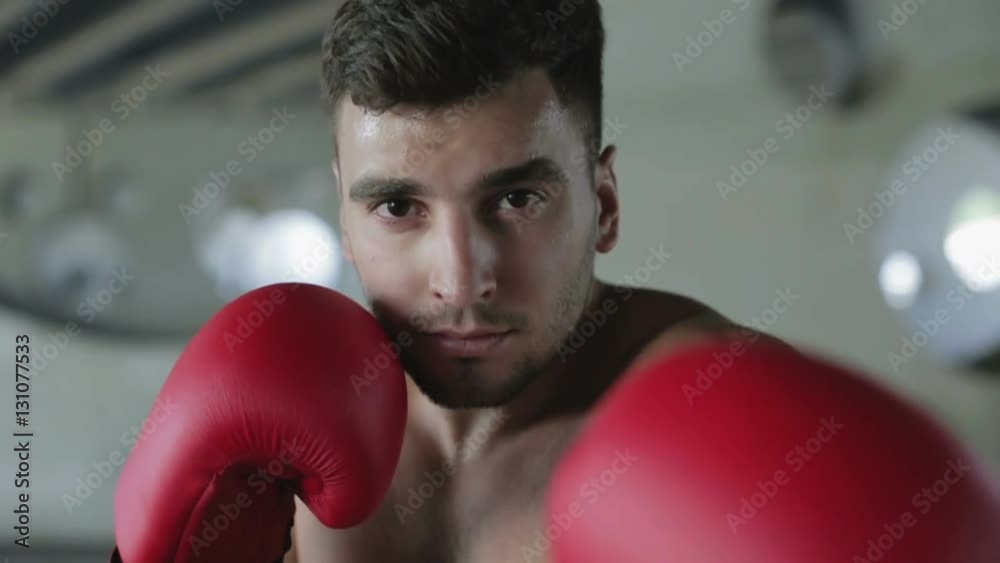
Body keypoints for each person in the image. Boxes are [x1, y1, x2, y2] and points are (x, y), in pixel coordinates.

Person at [288, 0, 770, 560]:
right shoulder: (296, 424)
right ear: (345, 218)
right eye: (397, 206)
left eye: (517, 200)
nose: (461, 282)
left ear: (605, 205)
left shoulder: (719, 410)